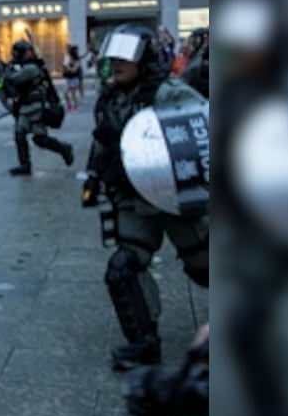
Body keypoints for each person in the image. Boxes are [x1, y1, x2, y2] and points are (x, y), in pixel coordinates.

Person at [82, 24, 208, 371]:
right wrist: (93, 175)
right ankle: (144, 343)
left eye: (126, 55)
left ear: (145, 57)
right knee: (123, 268)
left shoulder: (168, 93)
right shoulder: (110, 99)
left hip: (176, 197)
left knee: (206, 270)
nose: (117, 63)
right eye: (113, 56)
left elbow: (205, 127)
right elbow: (102, 141)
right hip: (133, 198)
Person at [3, 40, 74, 175]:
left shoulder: (31, 68)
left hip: (33, 107)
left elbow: (13, 79)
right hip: (30, 106)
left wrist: (7, 68)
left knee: (23, 133)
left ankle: (62, 149)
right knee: (38, 139)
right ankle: (27, 164)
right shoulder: (31, 66)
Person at [62, 44, 83, 111]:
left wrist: (68, 67)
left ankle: (74, 106)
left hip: (74, 79)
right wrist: (67, 67)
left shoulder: (77, 61)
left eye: (71, 55)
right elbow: (66, 68)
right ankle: (70, 105)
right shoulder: (69, 60)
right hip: (69, 79)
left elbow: (74, 70)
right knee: (66, 93)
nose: (70, 57)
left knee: (72, 94)